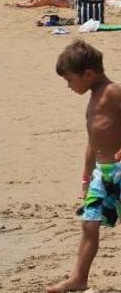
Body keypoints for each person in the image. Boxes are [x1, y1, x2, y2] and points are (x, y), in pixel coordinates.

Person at [48, 41, 121, 293]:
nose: (68, 86)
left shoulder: (113, 92)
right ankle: (78, 278)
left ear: (88, 74)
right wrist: (86, 174)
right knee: (89, 224)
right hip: (102, 173)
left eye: (69, 80)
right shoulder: (92, 98)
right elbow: (93, 140)